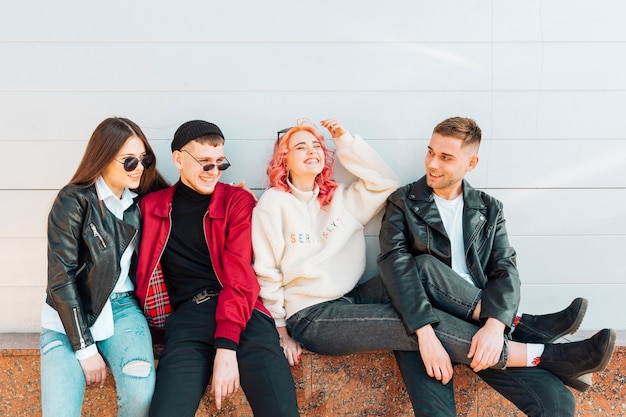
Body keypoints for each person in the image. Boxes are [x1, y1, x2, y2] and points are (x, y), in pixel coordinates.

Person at [252, 118, 588, 370]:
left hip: (349, 299)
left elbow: (383, 182)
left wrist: (344, 141)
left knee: (422, 267)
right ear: (283, 160)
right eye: (300, 147)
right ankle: (545, 357)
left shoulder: (340, 199)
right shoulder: (273, 204)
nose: (311, 151)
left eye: (316, 145)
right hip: (310, 317)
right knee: (412, 321)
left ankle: (519, 324)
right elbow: (266, 271)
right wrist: (281, 331)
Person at [377, 116, 617, 417]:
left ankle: (516, 325)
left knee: (556, 402)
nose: (432, 164)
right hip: (424, 320)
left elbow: (504, 268)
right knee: (437, 412)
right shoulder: (403, 202)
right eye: (430, 152)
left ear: (471, 163)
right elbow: (394, 265)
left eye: (446, 157)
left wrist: (494, 326)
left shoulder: (488, 208)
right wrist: (425, 334)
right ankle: (527, 327)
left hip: (479, 321)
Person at [134, 120, 300, 417]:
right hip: (188, 321)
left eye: (219, 164)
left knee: (282, 411)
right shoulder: (151, 207)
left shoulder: (236, 201)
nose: (214, 172)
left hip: (244, 315)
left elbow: (240, 276)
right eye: (205, 163)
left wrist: (226, 346)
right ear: (178, 159)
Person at [41, 117, 169, 417]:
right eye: (129, 161)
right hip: (67, 316)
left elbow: (188, 201)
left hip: (124, 310)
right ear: (103, 159)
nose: (139, 167)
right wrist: (85, 350)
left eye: (143, 159)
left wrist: (226, 195)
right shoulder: (73, 200)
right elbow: (61, 280)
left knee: (140, 393)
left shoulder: (144, 200)